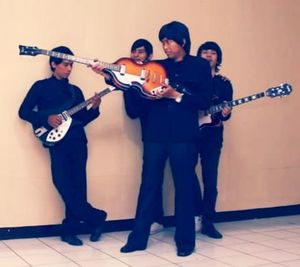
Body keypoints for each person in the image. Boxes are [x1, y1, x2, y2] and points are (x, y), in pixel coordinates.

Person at [91, 21, 212, 256]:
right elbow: (130, 80)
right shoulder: (156, 65)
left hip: (184, 136)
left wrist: (175, 95)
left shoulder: (199, 66)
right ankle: (138, 239)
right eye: (163, 42)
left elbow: (204, 101)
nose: (165, 46)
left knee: (184, 188)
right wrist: (106, 73)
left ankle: (185, 242)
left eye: (169, 41)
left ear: (183, 41)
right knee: (148, 186)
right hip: (155, 135)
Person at [18, 46, 107, 246]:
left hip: (78, 141)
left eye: (71, 65)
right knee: (62, 182)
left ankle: (70, 230)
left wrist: (95, 107)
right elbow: (23, 112)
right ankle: (96, 217)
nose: (69, 69)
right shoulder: (40, 87)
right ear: (53, 64)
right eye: (65, 64)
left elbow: (82, 119)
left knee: (78, 185)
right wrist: (45, 118)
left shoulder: (75, 92)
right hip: (57, 142)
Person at [123, 39, 164, 235]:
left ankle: (196, 216)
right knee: (151, 179)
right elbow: (132, 112)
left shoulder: (160, 72)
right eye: (134, 52)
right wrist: (142, 93)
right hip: (150, 135)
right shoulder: (129, 83)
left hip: (173, 132)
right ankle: (154, 219)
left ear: (149, 56)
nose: (136, 55)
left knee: (183, 175)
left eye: (140, 52)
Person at [194, 41, 233, 239]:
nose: (208, 55)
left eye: (213, 53)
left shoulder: (224, 83)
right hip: (190, 134)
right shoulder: (190, 79)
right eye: (205, 52)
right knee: (186, 176)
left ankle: (208, 221)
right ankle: (194, 215)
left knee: (210, 179)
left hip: (212, 136)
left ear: (218, 58)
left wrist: (226, 112)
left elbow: (226, 115)